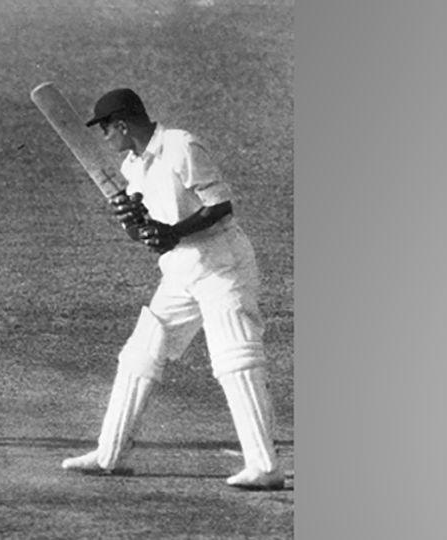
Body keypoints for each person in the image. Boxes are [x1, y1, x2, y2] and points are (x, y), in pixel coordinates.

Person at [60, 88, 284, 490]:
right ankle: (110, 455)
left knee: (235, 360)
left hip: (221, 264)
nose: (105, 139)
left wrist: (172, 231)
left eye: (107, 130)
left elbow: (220, 205)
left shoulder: (181, 145)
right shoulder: (132, 167)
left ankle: (265, 467)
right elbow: (148, 231)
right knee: (139, 354)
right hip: (180, 271)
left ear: (123, 125)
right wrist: (134, 223)